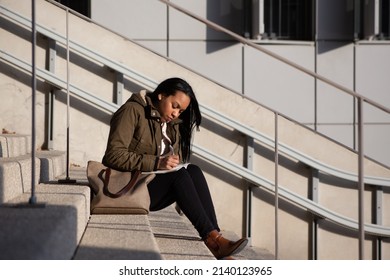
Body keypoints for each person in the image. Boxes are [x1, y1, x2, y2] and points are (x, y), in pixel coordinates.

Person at [102, 77, 248, 259]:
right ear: (161, 95)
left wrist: (170, 160)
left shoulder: (170, 124)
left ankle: (215, 238)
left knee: (193, 170)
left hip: (150, 183)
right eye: (174, 105)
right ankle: (214, 240)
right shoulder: (132, 111)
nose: (176, 113)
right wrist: (157, 162)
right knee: (179, 177)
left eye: (181, 110)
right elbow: (112, 155)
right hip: (129, 187)